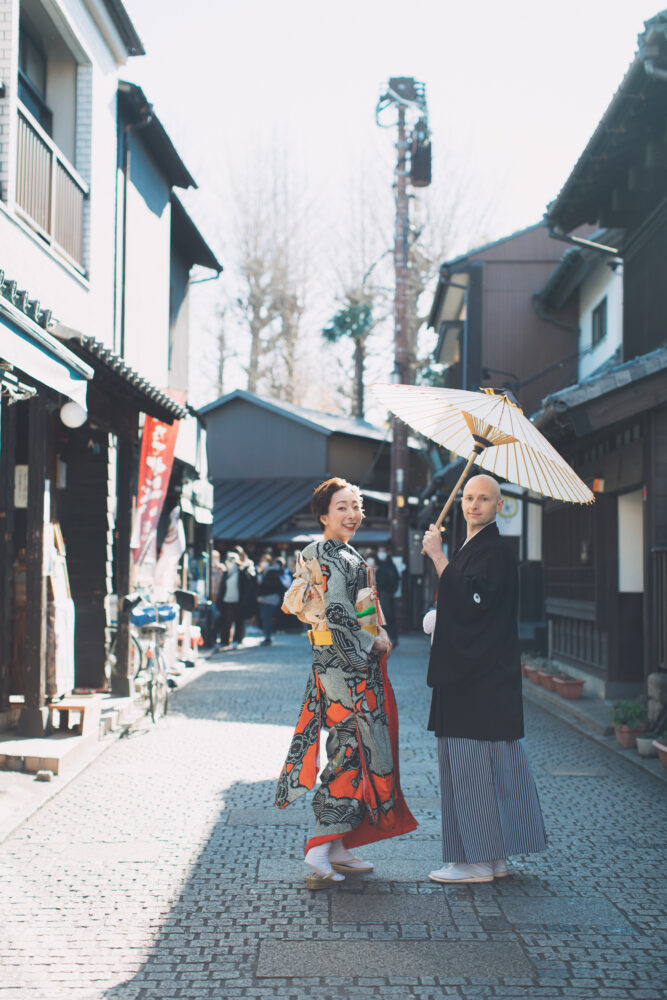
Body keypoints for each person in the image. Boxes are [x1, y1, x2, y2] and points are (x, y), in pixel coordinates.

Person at [276, 476, 417, 889]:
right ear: (324, 515)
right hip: (345, 664)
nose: (353, 514)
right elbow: (338, 614)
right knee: (353, 749)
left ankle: (337, 844)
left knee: (349, 744)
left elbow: (354, 610)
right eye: (342, 507)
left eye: (357, 506)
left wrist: (374, 635)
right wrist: (375, 641)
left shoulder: (341, 553)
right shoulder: (329, 553)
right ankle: (320, 845)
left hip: (341, 663)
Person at [421, 473, 546, 884]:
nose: (473, 505)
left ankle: (474, 861)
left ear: (498, 506)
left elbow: (475, 606)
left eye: (484, 499)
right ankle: (492, 858)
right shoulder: (479, 548)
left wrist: (439, 558)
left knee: (470, 767)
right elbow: (471, 605)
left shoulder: (494, 551)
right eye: (468, 497)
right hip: (482, 677)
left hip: (475, 680)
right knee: (485, 767)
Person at [216, 551, 252, 648]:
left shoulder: (241, 573)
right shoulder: (226, 573)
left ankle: (237, 640)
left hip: (238, 601)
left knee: (238, 621)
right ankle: (225, 640)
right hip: (226, 600)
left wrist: (244, 601)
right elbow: (222, 588)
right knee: (225, 621)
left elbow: (245, 588)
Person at [256, 552, 284, 646]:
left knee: (266, 617)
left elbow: (273, 586)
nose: (263, 563)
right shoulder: (264, 572)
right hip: (263, 598)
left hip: (270, 598)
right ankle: (267, 636)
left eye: (265, 561)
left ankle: (268, 637)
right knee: (265, 618)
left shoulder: (273, 572)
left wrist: (261, 583)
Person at [375, 545, 400, 646]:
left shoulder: (388, 566)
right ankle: (386, 639)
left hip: (386, 594)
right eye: (379, 551)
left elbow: (394, 580)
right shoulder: (379, 564)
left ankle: (390, 639)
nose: (381, 553)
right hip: (380, 594)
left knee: (387, 617)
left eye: (383, 551)